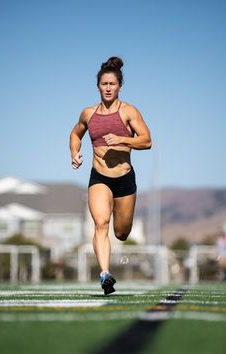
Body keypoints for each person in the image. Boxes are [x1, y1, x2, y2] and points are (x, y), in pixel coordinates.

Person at [70, 56, 152, 295]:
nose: (108, 88)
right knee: (100, 223)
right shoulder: (88, 113)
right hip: (99, 177)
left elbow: (147, 141)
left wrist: (122, 139)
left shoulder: (128, 111)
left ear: (119, 87)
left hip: (125, 179)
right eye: (104, 84)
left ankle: (119, 239)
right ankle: (105, 274)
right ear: (98, 86)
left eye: (112, 84)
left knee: (121, 232)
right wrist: (75, 152)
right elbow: (75, 134)